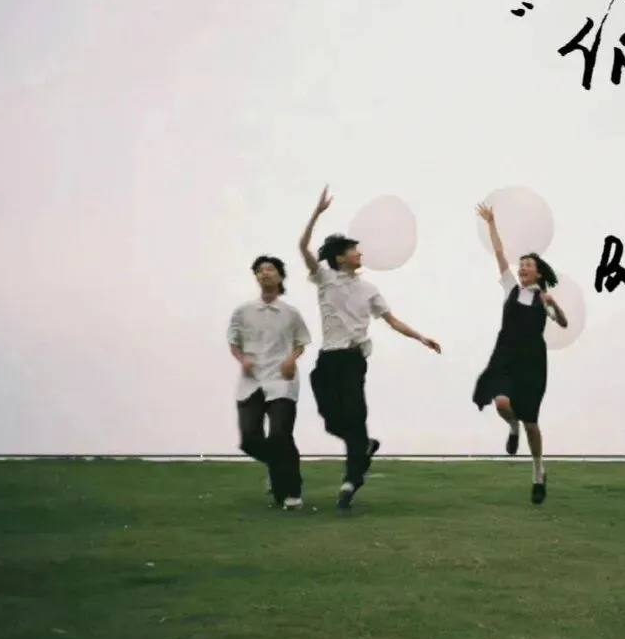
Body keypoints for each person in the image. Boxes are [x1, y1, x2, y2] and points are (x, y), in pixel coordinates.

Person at [299, 186, 441, 513]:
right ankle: (364, 447)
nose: (360, 254)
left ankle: (351, 481)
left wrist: (421, 337)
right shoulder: (324, 278)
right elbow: (303, 247)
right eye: (354, 250)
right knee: (332, 421)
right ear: (340, 257)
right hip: (327, 360)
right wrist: (317, 213)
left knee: (355, 417)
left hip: (353, 359)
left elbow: (392, 320)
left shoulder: (369, 290)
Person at [472, 203, 569, 505]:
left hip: (532, 362)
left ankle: (538, 472)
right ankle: (511, 426)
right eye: (522, 264)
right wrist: (491, 223)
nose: (522, 267)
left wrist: (553, 304)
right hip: (506, 355)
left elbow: (563, 323)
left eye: (528, 265)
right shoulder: (511, 289)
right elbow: (499, 253)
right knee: (501, 402)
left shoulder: (543, 298)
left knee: (532, 423)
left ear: (537, 272)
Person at [227, 255, 312, 511]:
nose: (265, 273)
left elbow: (301, 342)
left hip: (282, 381)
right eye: (260, 270)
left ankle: (291, 493)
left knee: (279, 436)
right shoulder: (243, 312)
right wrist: (242, 359)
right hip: (251, 382)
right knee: (249, 440)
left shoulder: (290, 313)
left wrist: (291, 359)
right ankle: (279, 469)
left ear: (280, 276)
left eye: (270, 269)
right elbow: (234, 342)